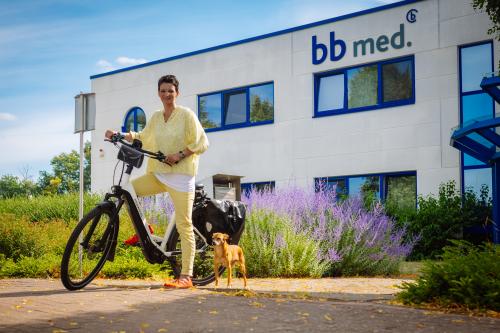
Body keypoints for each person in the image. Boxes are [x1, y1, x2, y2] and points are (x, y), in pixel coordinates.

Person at [105, 74, 209, 289]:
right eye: (163, 90)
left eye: (170, 90)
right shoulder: (155, 117)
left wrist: (179, 155)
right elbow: (142, 135)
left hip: (181, 177)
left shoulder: (186, 115)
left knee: (184, 225)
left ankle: (186, 277)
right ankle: (145, 232)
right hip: (158, 174)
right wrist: (119, 134)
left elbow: (201, 142)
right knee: (128, 192)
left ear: (177, 93)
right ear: (158, 93)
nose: (167, 94)